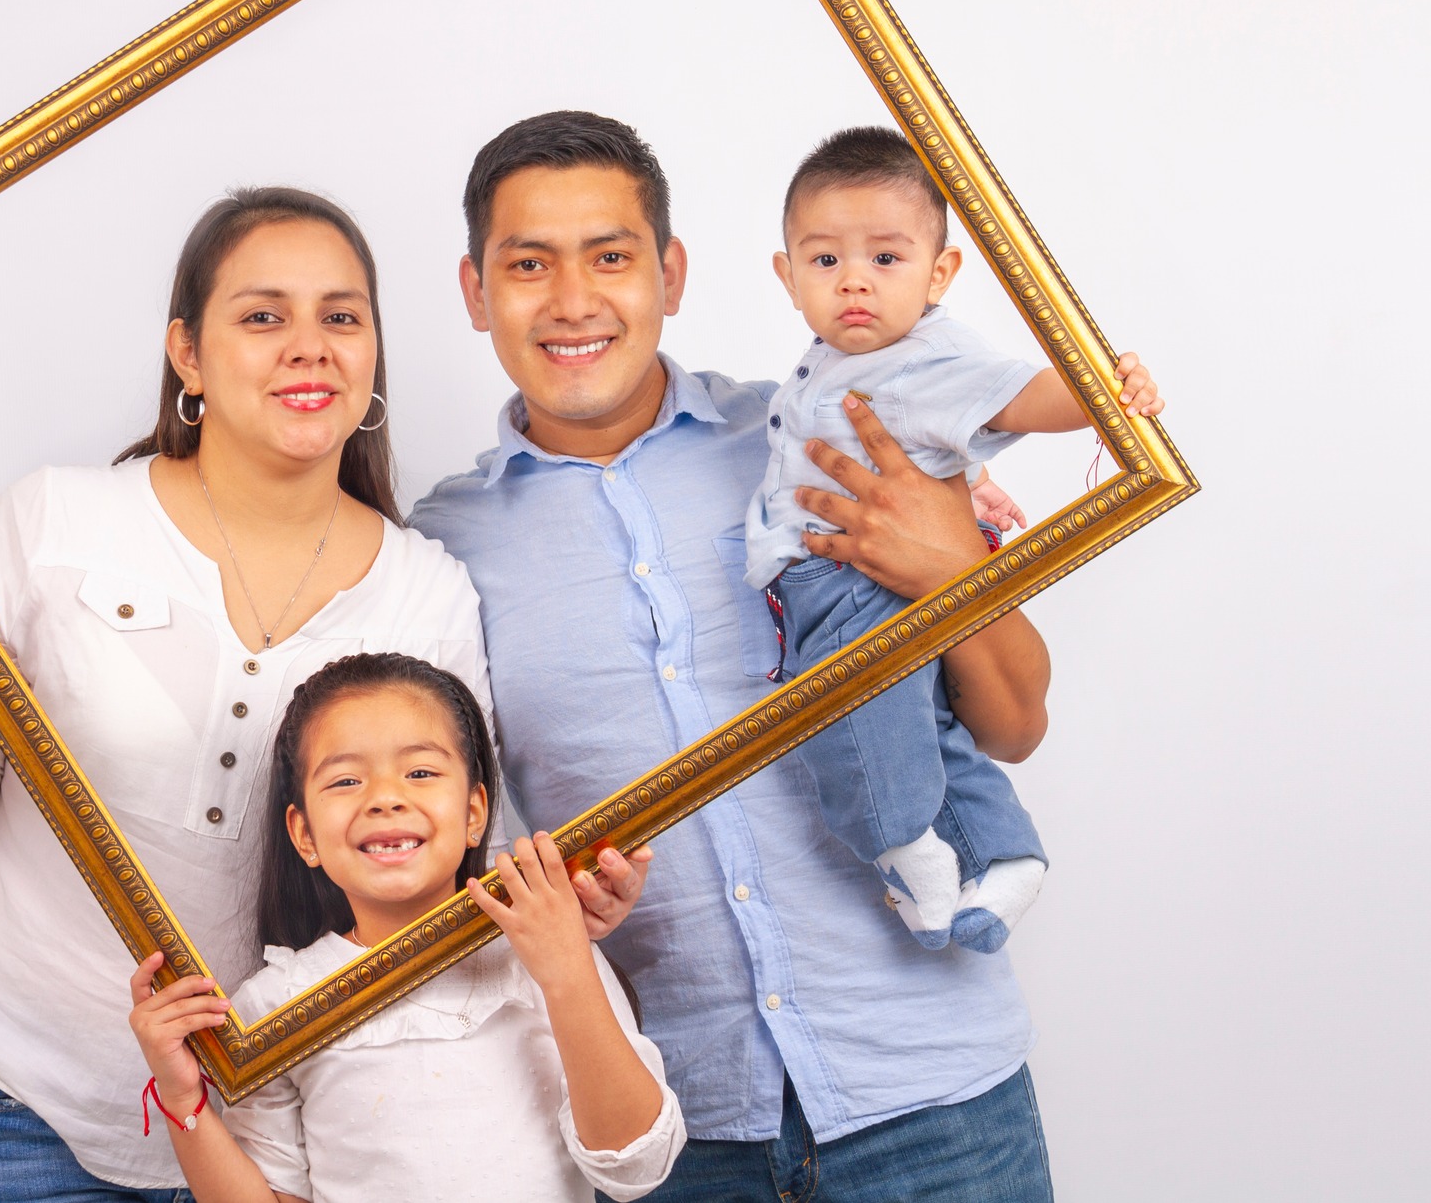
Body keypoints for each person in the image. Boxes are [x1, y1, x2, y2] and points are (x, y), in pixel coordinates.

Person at [0, 187, 645, 1201]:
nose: (307, 347)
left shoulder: (425, 590)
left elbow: (444, 867)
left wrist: (559, 911)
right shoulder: (54, 522)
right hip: (31, 1106)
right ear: (186, 351)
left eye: (340, 317)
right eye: (262, 316)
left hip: (300, 1133)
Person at [409, 112, 1069, 1200]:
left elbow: (1014, 724)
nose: (572, 301)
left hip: (933, 1101)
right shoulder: (436, 553)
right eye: (528, 265)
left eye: (610, 257)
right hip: (676, 1136)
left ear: (669, 273)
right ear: (476, 292)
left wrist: (949, 567)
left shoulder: (828, 438)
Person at [750, 125, 1165, 953]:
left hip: (848, 581)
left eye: (887, 259)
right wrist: (971, 483)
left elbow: (1015, 397)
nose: (854, 281)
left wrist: (1101, 392)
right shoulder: (840, 360)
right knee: (922, 727)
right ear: (787, 274)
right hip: (847, 575)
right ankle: (1002, 852)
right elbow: (922, 440)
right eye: (825, 260)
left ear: (940, 273)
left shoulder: (923, 357)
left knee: (846, 715)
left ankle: (902, 844)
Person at [126, 652, 685, 1203]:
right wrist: (182, 1098)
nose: (386, 798)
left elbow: (635, 1165)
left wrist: (565, 970)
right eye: (345, 781)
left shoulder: (550, 952)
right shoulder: (275, 1004)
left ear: (474, 814)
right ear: (304, 836)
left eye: (420, 772)